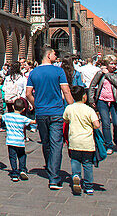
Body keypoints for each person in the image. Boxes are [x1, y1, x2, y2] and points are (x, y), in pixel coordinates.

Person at [27, 47, 74, 190]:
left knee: (46, 142)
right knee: (56, 143)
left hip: (41, 113)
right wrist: (73, 107)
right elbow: (66, 91)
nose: (56, 55)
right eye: (54, 53)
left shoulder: (33, 72)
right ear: (48, 55)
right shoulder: (58, 71)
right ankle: (54, 177)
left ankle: (50, 167)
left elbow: (28, 93)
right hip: (56, 112)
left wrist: (37, 105)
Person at [64, 85, 101, 196]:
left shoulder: (69, 108)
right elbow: (97, 125)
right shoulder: (89, 110)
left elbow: (65, 119)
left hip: (74, 141)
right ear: (84, 96)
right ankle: (89, 186)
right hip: (87, 142)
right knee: (87, 163)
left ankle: (76, 176)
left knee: (75, 160)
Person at [88, 56, 117, 153]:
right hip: (102, 100)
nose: (113, 66)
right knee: (105, 123)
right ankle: (108, 144)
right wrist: (91, 99)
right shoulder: (100, 73)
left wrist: (107, 74)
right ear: (106, 64)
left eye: (114, 63)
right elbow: (92, 85)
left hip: (115, 101)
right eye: (111, 64)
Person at [1, 98, 33, 182]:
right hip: (20, 141)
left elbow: (1, 117)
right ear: (23, 109)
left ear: (13, 106)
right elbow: (32, 122)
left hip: (11, 141)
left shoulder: (8, 116)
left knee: (12, 157)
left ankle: (14, 173)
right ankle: (22, 169)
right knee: (22, 155)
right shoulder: (23, 118)